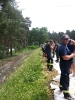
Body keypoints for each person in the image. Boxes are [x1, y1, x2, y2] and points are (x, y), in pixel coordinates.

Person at [59, 34, 75, 100]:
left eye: (67, 39)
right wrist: (72, 55)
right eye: (65, 39)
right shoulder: (63, 47)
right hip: (65, 65)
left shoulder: (65, 46)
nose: (66, 40)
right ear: (62, 40)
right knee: (66, 79)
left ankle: (61, 87)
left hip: (65, 65)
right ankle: (66, 94)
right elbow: (65, 57)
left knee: (63, 76)